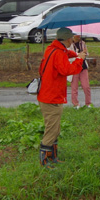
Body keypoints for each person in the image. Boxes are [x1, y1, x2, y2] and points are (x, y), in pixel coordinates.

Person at [37, 27, 86, 168]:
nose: (73, 39)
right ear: (68, 39)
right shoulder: (58, 53)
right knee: (52, 129)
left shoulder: (52, 49)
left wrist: (76, 54)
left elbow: (66, 53)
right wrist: (79, 60)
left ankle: (53, 157)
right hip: (51, 97)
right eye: (71, 37)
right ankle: (44, 161)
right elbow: (67, 70)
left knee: (55, 128)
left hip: (49, 95)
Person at [67, 33, 92, 108]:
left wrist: (85, 53)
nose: (78, 37)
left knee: (86, 86)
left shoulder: (83, 43)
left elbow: (86, 54)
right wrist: (78, 55)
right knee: (74, 87)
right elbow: (69, 57)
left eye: (79, 35)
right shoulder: (70, 45)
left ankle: (88, 103)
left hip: (83, 67)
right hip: (74, 67)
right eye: (76, 35)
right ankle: (75, 104)